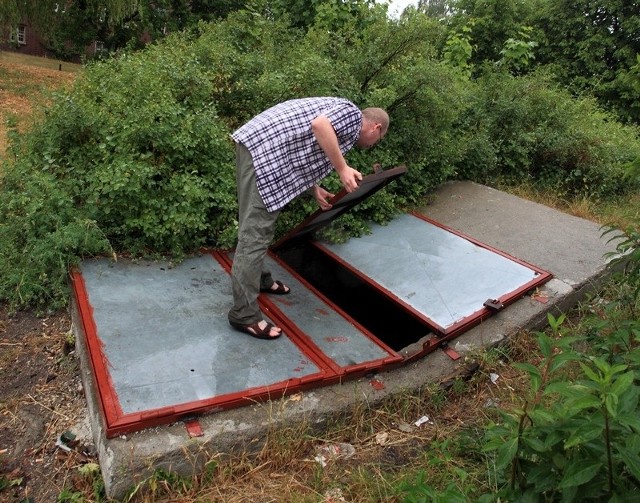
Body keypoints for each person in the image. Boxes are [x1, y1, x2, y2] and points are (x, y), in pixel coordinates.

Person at [228, 97, 389, 340]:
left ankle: (260, 280)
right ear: (376, 128)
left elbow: (304, 151)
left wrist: (315, 189)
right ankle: (244, 315)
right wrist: (343, 169)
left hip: (264, 151)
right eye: (378, 140)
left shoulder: (344, 125)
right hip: (263, 155)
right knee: (255, 235)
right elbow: (320, 126)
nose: (372, 145)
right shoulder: (352, 115)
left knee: (256, 229)